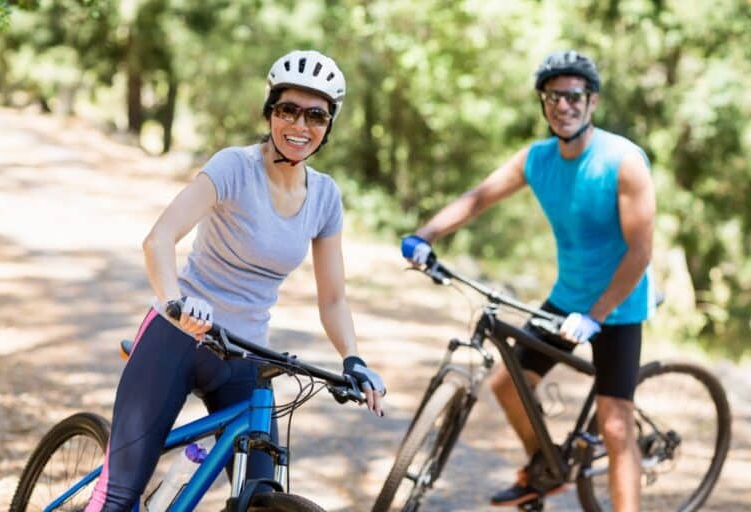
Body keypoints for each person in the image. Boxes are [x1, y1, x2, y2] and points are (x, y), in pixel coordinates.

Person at [86, 49, 386, 511]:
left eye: (316, 116)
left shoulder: (325, 197)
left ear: (329, 125)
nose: (300, 126)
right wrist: (174, 303)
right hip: (178, 336)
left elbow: (333, 299)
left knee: (260, 499)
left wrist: (353, 358)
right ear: (270, 112)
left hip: (246, 354)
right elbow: (159, 240)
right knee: (120, 497)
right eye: (288, 110)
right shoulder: (234, 167)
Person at [402, 50, 655, 511]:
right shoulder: (537, 160)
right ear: (543, 103)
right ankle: (546, 466)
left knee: (615, 425)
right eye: (553, 96)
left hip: (618, 305)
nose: (563, 105)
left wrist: (595, 317)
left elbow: (640, 252)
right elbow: (478, 198)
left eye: (573, 96)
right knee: (507, 384)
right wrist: (425, 234)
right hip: (568, 297)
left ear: (592, 102)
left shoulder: (623, 161)